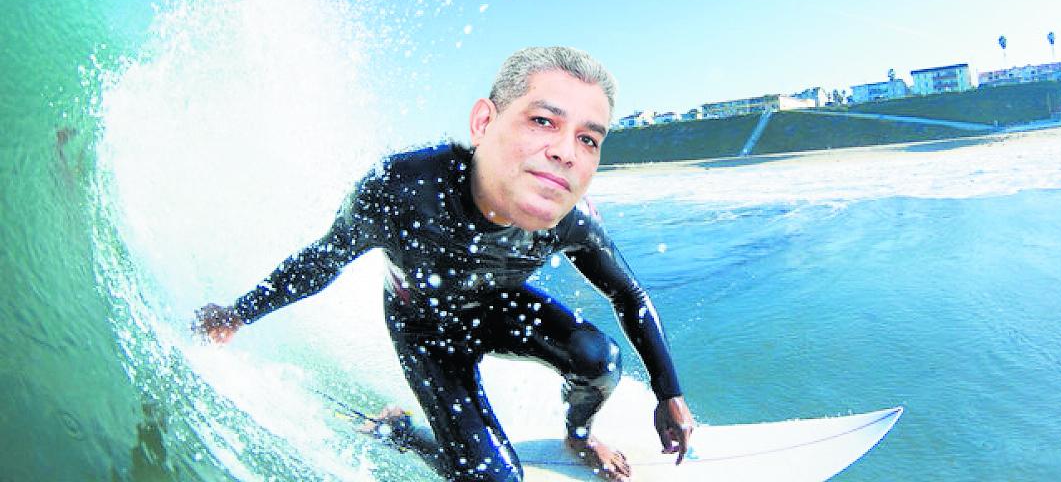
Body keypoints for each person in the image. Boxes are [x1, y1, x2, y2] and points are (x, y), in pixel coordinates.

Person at [193, 46, 694, 482]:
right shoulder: (403, 191)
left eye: (588, 139)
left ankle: (579, 437)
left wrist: (668, 393)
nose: (566, 152)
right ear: (484, 123)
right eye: (543, 121)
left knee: (600, 361)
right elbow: (324, 260)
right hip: (425, 328)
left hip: (498, 308)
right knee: (494, 478)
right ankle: (402, 432)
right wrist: (237, 314)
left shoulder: (570, 220)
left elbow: (629, 294)